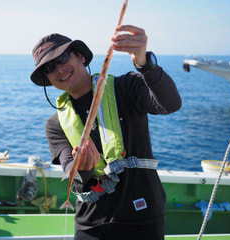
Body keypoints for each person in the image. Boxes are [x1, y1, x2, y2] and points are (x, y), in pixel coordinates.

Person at [30, 25, 182, 240]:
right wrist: (83, 169)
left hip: (143, 217)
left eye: (63, 57)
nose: (59, 69)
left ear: (80, 56)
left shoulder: (126, 86)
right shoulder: (55, 125)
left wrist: (145, 64)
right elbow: (71, 172)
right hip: (90, 226)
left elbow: (170, 104)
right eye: (49, 68)